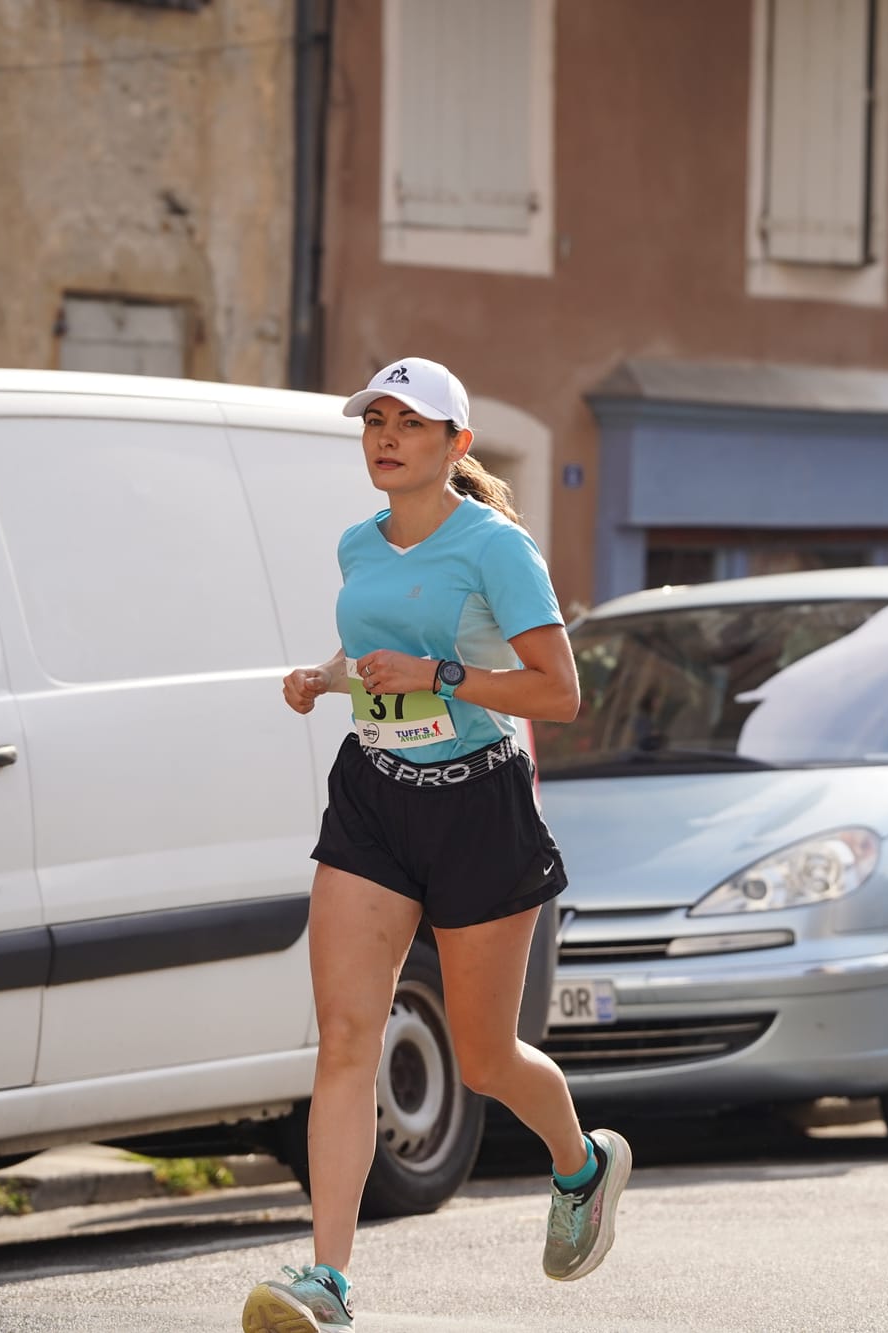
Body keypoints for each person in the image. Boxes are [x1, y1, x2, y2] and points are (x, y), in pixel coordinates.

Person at [245, 358, 629, 1332]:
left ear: (455, 446)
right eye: (374, 419)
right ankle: (326, 1281)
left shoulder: (494, 547)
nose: (385, 436)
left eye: (409, 424)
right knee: (344, 1040)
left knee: (487, 1056)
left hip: (477, 806)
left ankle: (581, 1166)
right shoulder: (357, 543)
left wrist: (443, 671)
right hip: (375, 794)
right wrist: (325, 677)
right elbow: (374, 648)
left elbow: (558, 692)